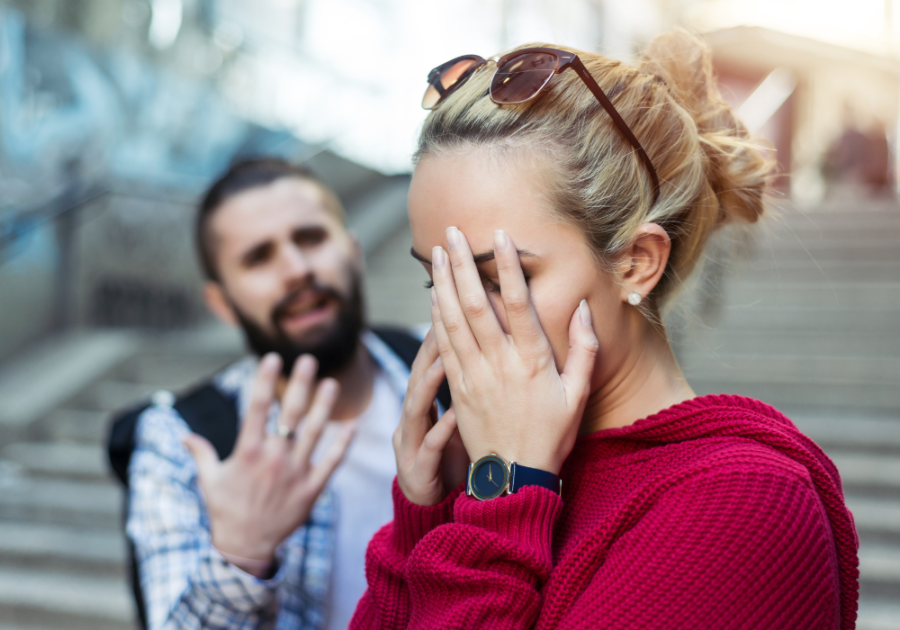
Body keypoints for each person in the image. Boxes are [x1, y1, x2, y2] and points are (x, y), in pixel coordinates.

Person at [350, 30, 859, 629]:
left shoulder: (744, 500)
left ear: (636, 261)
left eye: (499, 279)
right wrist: (429, 511)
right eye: (440, 281)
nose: (459, 320)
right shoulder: (489, 467)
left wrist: (503, 499)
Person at [122, 159, 444, 630]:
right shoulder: (180, 439)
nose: (295, 270)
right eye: (258, 257)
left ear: (353, 251)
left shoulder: (450, 368)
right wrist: (240, 554)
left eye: (311, 238)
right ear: (222, 303)